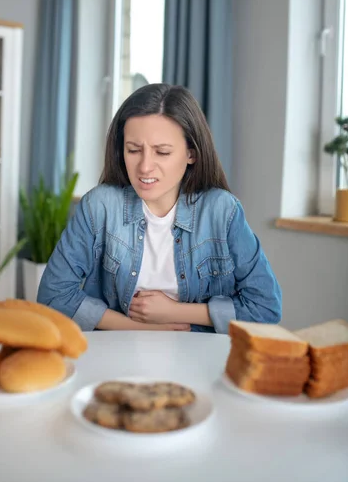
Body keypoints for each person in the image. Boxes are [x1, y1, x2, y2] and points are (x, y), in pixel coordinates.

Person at [38, 84, 282, 333]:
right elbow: (53, 295)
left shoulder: (222, 211)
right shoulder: (99, 207)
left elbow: (265, 307)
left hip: (199, 356)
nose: (145, 167)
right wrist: (138, 327)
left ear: (191, 153)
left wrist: (174, 312)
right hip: (117, 350)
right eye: (133, 150)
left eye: (162, 152)